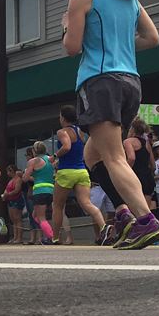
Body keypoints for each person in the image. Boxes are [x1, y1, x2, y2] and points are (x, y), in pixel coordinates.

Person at [62, 0, 159, 249]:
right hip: (130, 82)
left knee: (114, 157)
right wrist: (122, 46)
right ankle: (122, 214)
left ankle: (145, 220)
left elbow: (72, 47)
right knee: (94, 154)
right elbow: (152, 38)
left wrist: (67, 25)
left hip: (100, 82)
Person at [48, 105, 106, 244]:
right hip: (81, 171)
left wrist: (54, 156)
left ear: (63, 117)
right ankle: (104, 227)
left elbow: (67, 146)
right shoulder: (80, 131)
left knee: (57, 206)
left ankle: (55, 238)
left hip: (66, 172)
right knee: (86, 203)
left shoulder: (62, 132)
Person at [22, 142, 56, 243]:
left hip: (39, 191)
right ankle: (49, 232)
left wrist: (26, 173)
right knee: (35, 215)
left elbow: (25, 178)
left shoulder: (33, 161)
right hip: (51, 190)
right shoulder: (50, 159)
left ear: (34, 150)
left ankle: (52, 237)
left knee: (40, 217)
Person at [1, 165, 26, 244]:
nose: (8, 173)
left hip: (16, 199)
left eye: (10, 171)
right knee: (13, 219)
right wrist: (4, 194)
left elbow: (17, 190)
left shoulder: (18, 179)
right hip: (10, 200)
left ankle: (19, 237)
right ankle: (15, 237)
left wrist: (7, 194)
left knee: (17, 218)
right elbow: (6, 189)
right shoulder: (11, 180)